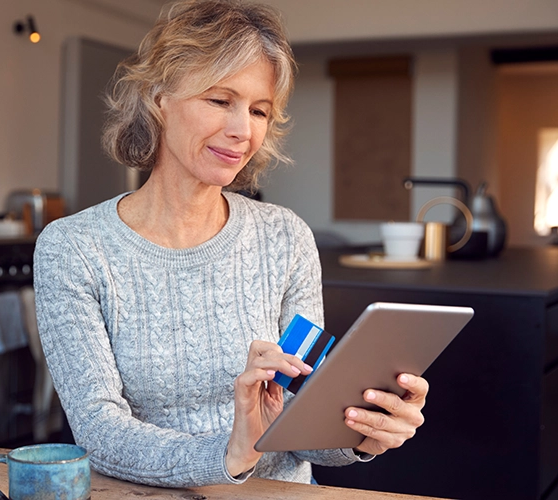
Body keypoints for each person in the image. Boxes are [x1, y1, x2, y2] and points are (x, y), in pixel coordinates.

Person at [33, 0, 427, 487]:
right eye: (220, 101)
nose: (243, 131)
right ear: (159, 98)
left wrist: (362, 432)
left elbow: (300, 415)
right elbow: (100, 433)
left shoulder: (285, 238)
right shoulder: (73, 249)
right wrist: (231, 452)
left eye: (259, 110)